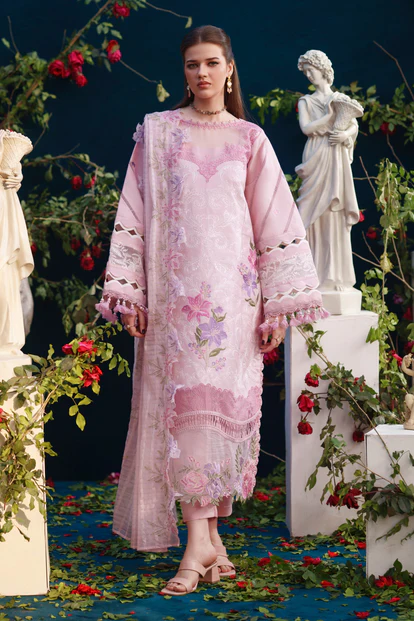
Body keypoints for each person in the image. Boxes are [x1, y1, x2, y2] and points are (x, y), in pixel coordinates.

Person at [96, 25, 326, 596]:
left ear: (229, 70)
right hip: (175, 306)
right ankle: (200, 544)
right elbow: (133, 211)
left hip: (234, 305)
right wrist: (131, 292)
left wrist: (276, 308)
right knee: (186, 418)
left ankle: (210, 541)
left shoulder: (249, 139)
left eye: (211, 63)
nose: (201, 73)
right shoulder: (159, 133)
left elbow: (274, 223)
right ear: (185, 72)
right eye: (192, 65)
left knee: (221, 418)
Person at [295, 50, 360, 292]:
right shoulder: (306, 101)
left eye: (311, 70)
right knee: (313, 216)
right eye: (306, 72)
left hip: (336, 155)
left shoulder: (341, 98)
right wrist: (330, 116)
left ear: (322, 69)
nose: (308, 75)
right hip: (316, 155)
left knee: (335, 213)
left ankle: (336, 277)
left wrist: (345, 135)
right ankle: (313, 276)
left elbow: (353, 125)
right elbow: (306, 128)